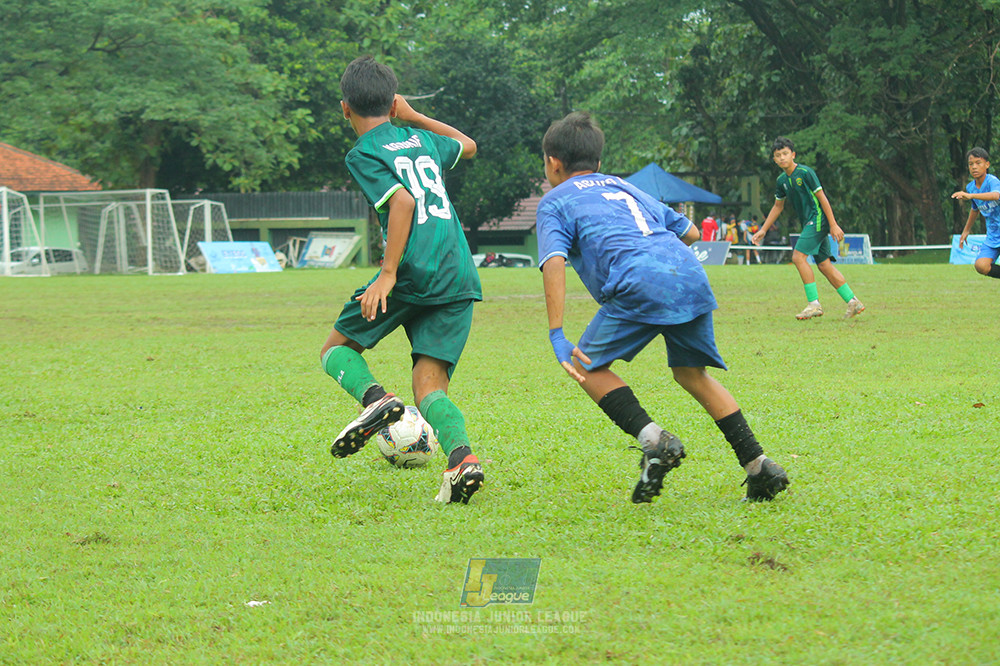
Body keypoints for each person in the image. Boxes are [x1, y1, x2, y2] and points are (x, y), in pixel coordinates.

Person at [536, 112, 789, 503]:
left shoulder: (554, 201)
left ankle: (654, 441)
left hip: (638, 281)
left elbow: (553, 260)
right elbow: (688, 231)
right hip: (688, 273)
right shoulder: (624, 187)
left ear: (553, 162)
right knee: (692, 374)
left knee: (586, 366)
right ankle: (759, 466)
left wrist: (556, 332)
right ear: (598, 162)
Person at [320, 56, 484, 504]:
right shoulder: (421, 139)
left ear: (344, 108)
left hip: (413, 271)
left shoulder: (364, 152)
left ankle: (375, 399)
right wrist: (414, 117)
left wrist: (387, 275)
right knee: (429, 386)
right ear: (393, 103)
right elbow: (467, 145)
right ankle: (461, 460)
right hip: (457, 273)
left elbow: (403, 205)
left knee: (335, 348)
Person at [752, 137, 865, 320]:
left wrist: (833, 224)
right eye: (778, 155)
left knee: (798, 257)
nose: (782, 158)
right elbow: (777, 206)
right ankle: (853, 301)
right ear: (774, 159)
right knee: (824, 265)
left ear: (793, 154)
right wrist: (763, 229)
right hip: (809, 223)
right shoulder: (781, 181)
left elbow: (822, 198)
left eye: (785, 154)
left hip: (818, 219)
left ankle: (814, 304)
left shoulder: (805, 173)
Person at [952, 147, 1000, 279]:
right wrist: (966, 230)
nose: (974, 167)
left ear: (987, 165)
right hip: (993, 236)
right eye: (971, 164)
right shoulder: (970, 187)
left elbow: (996, 195)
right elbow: (975, 210)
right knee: (981, 265)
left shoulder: (992, 181)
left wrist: (972, 196)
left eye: (978, 163)